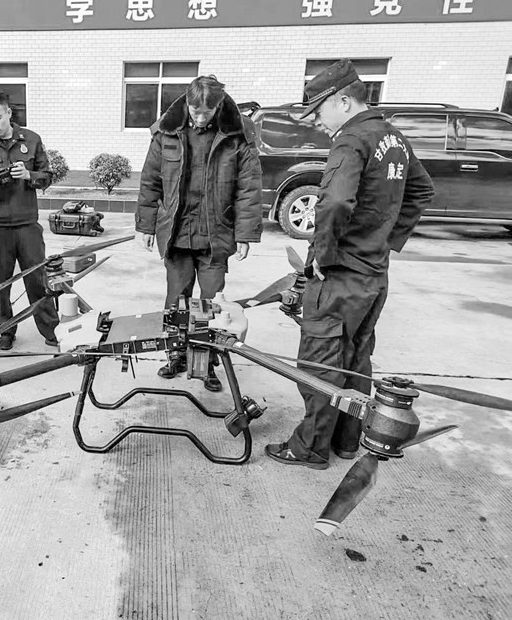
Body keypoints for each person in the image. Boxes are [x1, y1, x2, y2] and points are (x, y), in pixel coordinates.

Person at [265, 59, 435, 469]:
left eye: (319, 111)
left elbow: (336, 202)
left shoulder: (352, 139)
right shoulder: (393, 138)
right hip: (373, 275)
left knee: (321, 363)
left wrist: (322, 255)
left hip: (341, 276)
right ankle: (345, 441)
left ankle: (309, 448)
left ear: (342, 101)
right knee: (355, 359)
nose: (316, 121)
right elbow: (422, 190)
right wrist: (385, 240)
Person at [135, 75, 262, 392]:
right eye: (195, 110)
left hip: (215, 236)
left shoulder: (237, 136)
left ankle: (206, 364)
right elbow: (150, 181)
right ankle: (175, 355)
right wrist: (145, 225)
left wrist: (245, 233)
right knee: (176, 302)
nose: (201, 117)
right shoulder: (166, 132)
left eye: (208, 111)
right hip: (177, 234)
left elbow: (248, 189)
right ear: (187, 104)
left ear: (218, 106)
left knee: (211, 306)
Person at [0, 90, 59, 351]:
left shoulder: (31, 140)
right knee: (1, 284)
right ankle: (6, 330)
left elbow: (47, 176)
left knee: (37, 279)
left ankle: (50, 329)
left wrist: (29, 175)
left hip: (27, 224)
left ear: (8, 112)